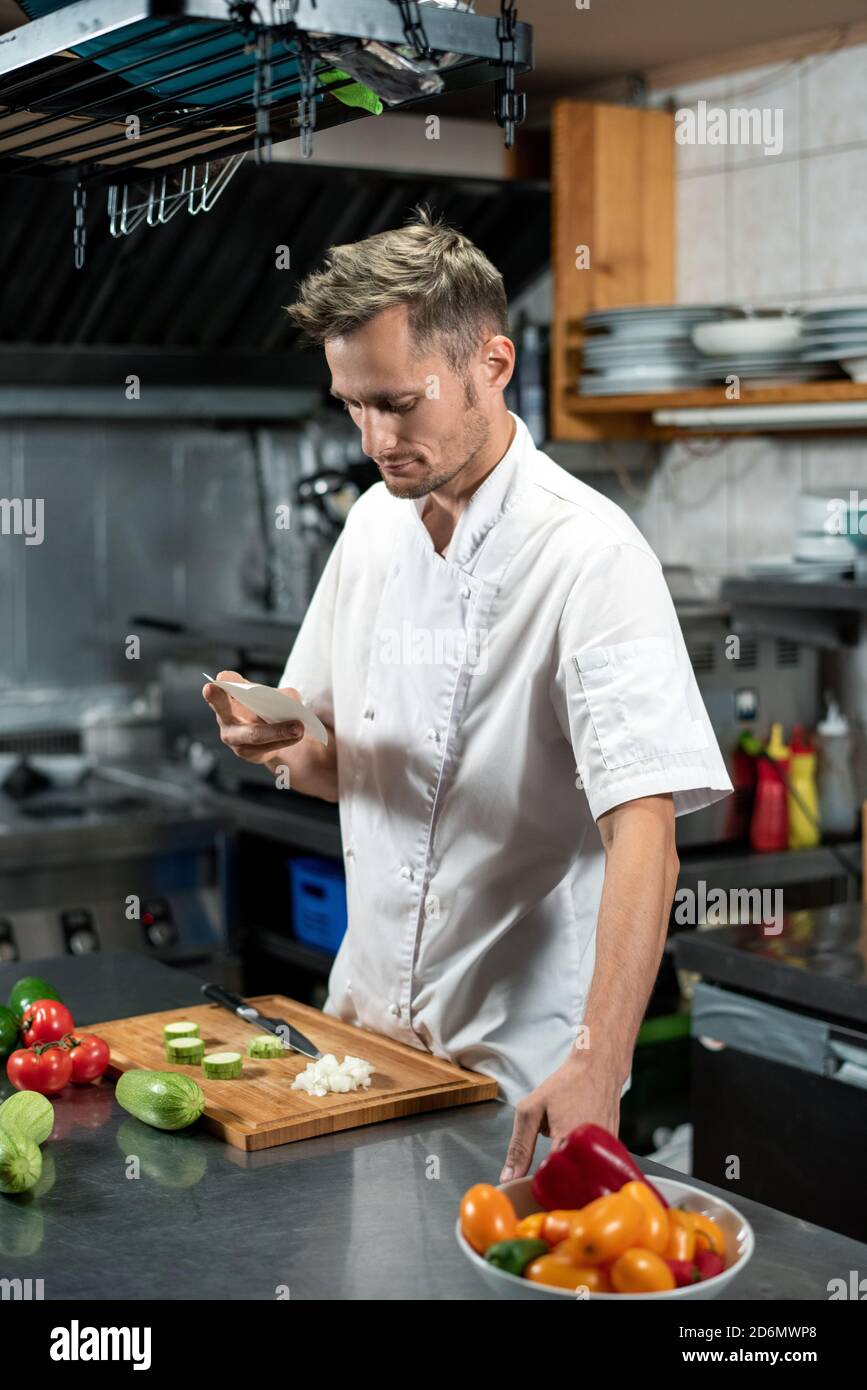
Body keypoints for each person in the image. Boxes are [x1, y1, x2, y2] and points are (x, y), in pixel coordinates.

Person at [204, 207, 731, 1180]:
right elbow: (340, 768)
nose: (373, 438)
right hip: (362, 1052)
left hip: (516, 1079)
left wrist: (599, 1062)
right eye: (352, 404)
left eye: (399, 402)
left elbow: (644, 825)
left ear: (492, 363)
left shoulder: (590, 555)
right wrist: (278, 740)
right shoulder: (371, 527)